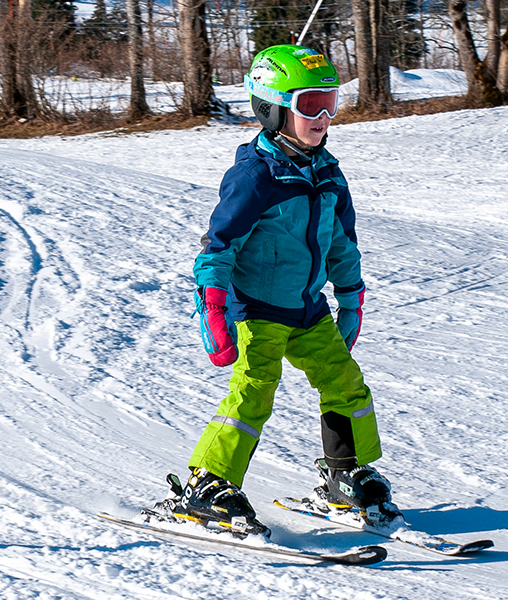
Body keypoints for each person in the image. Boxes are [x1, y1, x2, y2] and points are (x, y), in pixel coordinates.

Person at [151, 44, 399, 539]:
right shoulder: (255, 176)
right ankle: (207, 485)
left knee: (347, 384)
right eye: (310, 104)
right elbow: (217, 250)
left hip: (309, 309)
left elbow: (341, 243)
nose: (324, 116)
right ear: (272, 106)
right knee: (253, 393)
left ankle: (344, 475)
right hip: (256, 311)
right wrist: (214, 308)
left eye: (331, 101)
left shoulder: (327, 171)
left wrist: (351, 296)